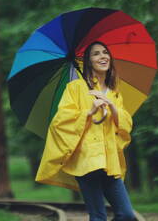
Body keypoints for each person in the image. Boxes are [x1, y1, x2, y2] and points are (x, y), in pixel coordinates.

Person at [35, 41, 137, 221]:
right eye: (96, 54)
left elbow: (126, 125)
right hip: (86, 159)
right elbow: (60, 122)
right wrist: (88, 112)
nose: (103, 56)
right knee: (98, 216)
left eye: (105, 52)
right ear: (88, 61)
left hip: (109, 160)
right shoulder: (75, 88)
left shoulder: (114, 92)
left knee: (127, 215)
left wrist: (112, 107)